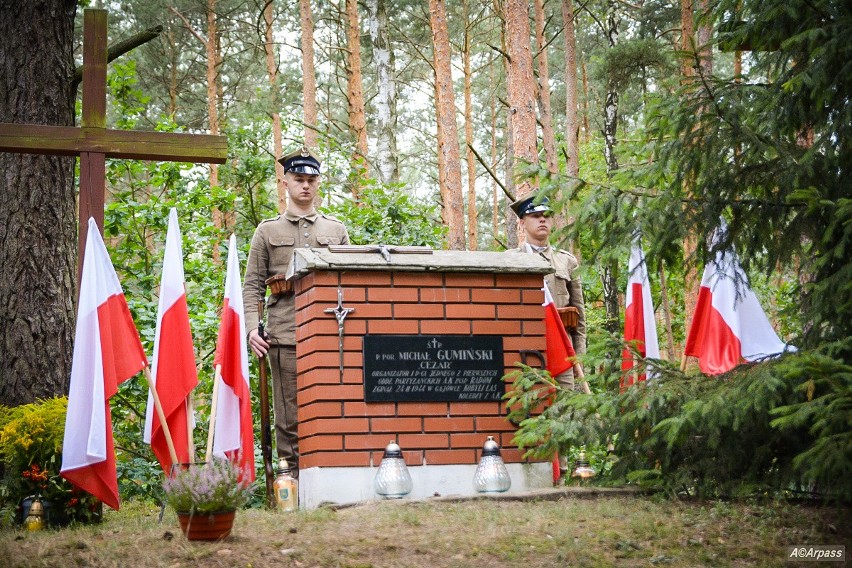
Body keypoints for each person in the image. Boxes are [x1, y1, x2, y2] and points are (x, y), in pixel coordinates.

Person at [243, 146, 350, 477]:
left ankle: (331, 476)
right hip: (284, 335)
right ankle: (291, 482)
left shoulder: (336, 230)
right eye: (298, 179)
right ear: (285, 182)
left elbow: (349, 280)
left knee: (332, 406)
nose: (305, 186)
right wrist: (251, 329)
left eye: (310, 180)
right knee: (288, 417)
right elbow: (251, 286)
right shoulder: (267, 231)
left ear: (318, 185)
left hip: (330, 333)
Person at [507, 195, 587, 391]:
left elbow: (579, 316)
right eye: (535, 215)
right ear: (522, 222)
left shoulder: (566, 261)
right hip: (525, 348)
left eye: (546, 215)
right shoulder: (510, 260)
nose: (542, 220)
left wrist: (579, 355)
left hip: (562, 348)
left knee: (565, 406)